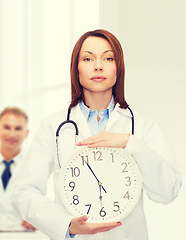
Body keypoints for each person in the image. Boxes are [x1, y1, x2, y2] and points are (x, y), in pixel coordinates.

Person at [11, 29, 182, 240]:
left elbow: (168, 191)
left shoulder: (141, 127)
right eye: (88, 58)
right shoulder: (54, 126)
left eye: (108, 58)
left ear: (118, 68)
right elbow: (24, 192)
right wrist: (67, 225)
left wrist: (131, 144)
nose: (98, 65)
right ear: (76, 69)